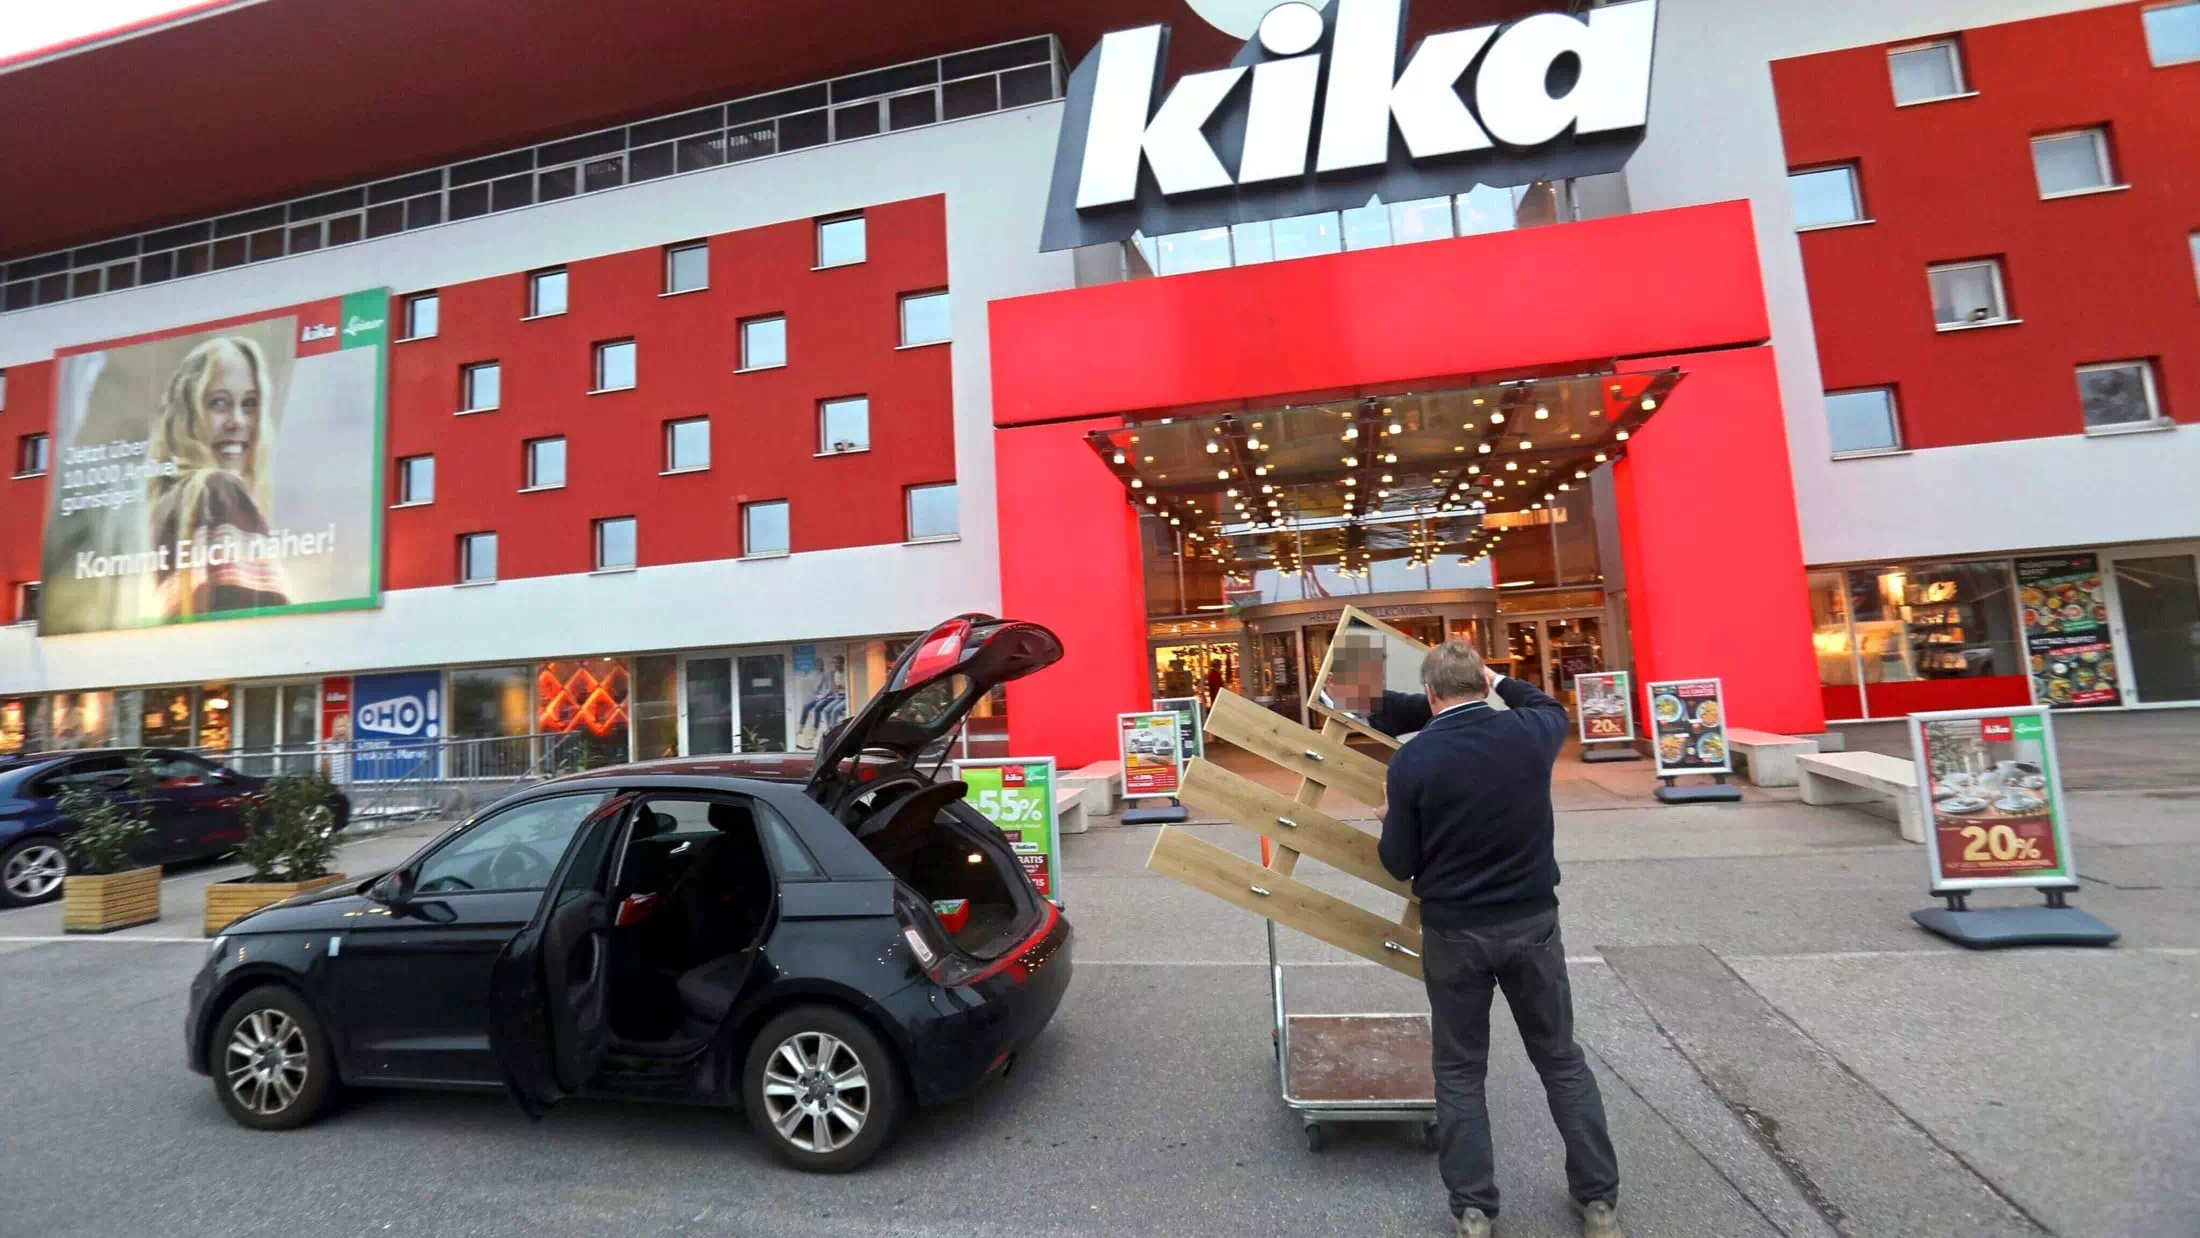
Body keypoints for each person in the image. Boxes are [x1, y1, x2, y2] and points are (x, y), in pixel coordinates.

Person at [1377, 641, 1622, 1238]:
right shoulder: (1529, 733)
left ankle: (1474, 1210)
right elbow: (1546, 705)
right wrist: (1500, 680)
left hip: (1454, 931)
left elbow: (1398, 863)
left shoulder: (1413, 760)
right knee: (1560, 1060)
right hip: (1531, 922)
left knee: (1460, 1070)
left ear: (1430, 694)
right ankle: (1597, 1202)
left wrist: (1390, 823)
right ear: (1482, 684)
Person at [146, 335, 288, 619]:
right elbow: (265, 623)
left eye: (250, 403)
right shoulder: (219, 490)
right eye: (219, 403)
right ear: (187, 413)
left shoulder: (166, 505)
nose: (238, 421)